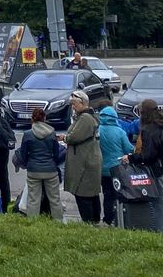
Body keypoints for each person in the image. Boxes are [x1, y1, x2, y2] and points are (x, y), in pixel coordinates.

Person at [128, 99, 163, 234]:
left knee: (161, 206)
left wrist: (131, 158)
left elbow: (148, 155)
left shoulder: (149, 129)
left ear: (143, 113)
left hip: (160, 171)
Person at [61, 90, 102, 224]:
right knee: (92, 194)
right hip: (90, 159)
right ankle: (95, 222)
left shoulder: (85, 118)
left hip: (85, 162)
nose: (73, 107)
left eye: (75, 104)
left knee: (83, 194)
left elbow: (74, 136)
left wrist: (65, 138)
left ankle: (89, 223)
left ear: (83, 103)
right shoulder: (88, 116)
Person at [18, 107, 64, 220]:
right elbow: (57, 154)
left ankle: (33, 223)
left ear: (32, 119)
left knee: (33, 199)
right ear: (45, 118)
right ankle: (58, 222)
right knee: (55, 199)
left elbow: (23, 154)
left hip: (34, 170)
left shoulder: (28, 134)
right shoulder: (52, 133)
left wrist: (28, 163)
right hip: (50, 170)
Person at [98, 105, 135, 226]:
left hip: (102, 169)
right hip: (117, 169)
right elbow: (128, 148)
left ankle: (107, 219)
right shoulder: (120, 132)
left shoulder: (97, 130)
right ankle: (118, 219)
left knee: (107, 195)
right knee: (118, 195)